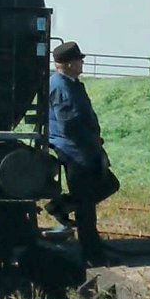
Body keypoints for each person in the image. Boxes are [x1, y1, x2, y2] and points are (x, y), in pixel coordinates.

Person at [47, 42, 117, 263]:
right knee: (86, 207)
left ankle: (63, 205)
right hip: (74, 150)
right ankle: (92, 254)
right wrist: (91, 141)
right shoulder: (61, 87)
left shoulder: (71, 84)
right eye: (79, 59)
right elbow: (69, 123)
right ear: (68, 64)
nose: (82, 62)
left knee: (107, 185)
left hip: (82, 147)